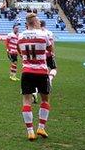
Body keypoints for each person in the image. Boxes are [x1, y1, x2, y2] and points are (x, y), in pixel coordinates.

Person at [18, 13, 53, 141]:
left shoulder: (20, 36)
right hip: (41, 72)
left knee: (27, 101)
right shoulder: (44, 35)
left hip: (27, 71)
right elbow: (51, 49)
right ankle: (41, 127)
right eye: (38, 21)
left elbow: (19, 51)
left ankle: (30, 132)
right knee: (45, 100)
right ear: (35, 22)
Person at [41, 20, 57, 85]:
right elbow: (51, 43)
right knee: (54, 68)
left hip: (40, 54)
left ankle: (42, 82)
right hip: (48, 53)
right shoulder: (49, 32)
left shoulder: (37, 32)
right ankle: (49, 79)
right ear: (45, 25)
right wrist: (52, 52)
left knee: (42, 68)